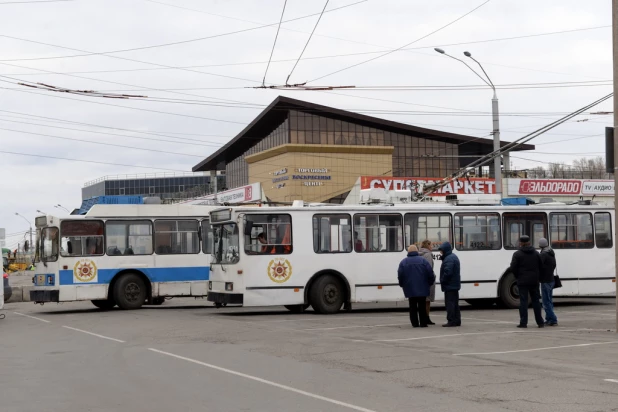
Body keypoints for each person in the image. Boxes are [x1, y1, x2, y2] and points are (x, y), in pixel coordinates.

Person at [509, 235, 544, 328]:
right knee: (536, 301)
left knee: (523, 302)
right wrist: (537, 276)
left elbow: (513, 268)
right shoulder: (536, 253)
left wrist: (518, 276)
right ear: (529, 242)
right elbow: (541, 266)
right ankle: (540, 322)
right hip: (534, 281)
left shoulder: (517, 254)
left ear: (521, 243)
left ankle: (523, 322)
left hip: (522, 281)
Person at [397, 245, 435, 328]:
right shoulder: (423, 261)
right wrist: (430, 283)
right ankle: (423, 323)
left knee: (412, 306)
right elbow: (430, 273)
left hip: (409, 288)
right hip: (423, 288)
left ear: (408, 252)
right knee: (422, 305)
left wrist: (402, 284)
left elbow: (400, 275)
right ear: (417, 251)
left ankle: (414, 323)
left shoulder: (403, 262)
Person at [438, 242, 461, 327]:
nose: (440, 253)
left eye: (441, 251)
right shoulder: (452, 257)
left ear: (445, 250)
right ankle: (457, 320)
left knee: (450, 304)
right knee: (455, 303)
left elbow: (448, 272)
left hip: (450, 285)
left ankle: (451, 320)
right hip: (454, 285)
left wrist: (443, 280)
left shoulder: (449, 259)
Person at [538, 237, 558, 326]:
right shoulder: (551, 252)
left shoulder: (543, 254)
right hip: (551, 279)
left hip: (545, 280)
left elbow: (539, 266)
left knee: (546, 302)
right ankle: (549, 318)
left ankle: (553, 319)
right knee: (549, 300)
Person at [419, 240, 436, 325]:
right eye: (431, 245)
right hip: (428, 281)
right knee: (427, 301)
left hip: (421, 281)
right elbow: (429, 269)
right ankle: (427, 318)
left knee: (422, 301)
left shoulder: (419, 254)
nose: (432, 247)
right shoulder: (428, 255)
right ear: (428, 245)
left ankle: (423, 317)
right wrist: (431, 279)